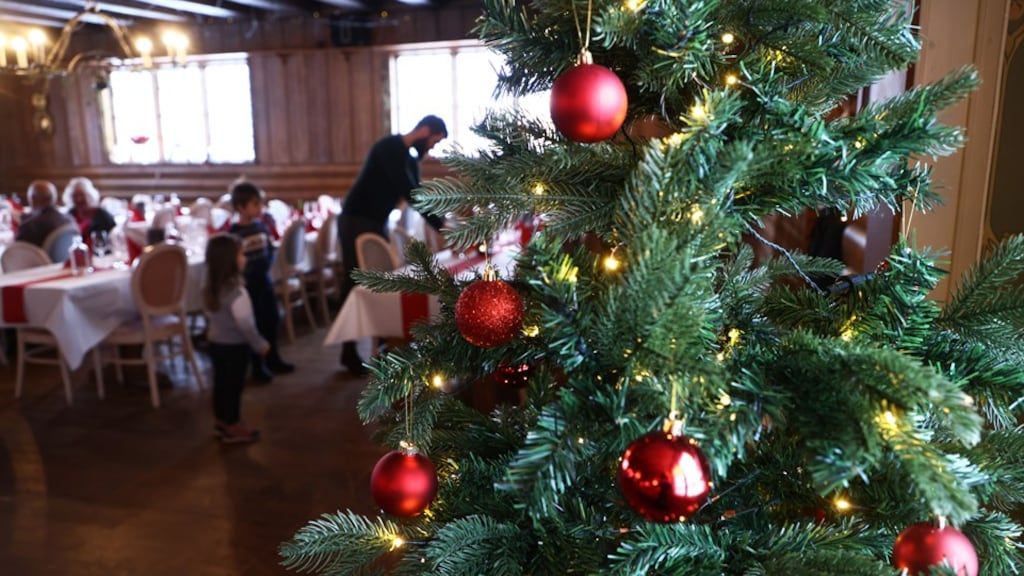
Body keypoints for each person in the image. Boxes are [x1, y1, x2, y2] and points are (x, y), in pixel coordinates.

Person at [337, 115, 449, 374]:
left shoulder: (409, 160)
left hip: (376, 223)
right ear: (424, 130)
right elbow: (410, 193)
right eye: (433, 142)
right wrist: (442, 227)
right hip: (355, 220)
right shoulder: (388, 147)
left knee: (380, 281)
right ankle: (348, 350)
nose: (431, 148)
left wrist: (442, 222)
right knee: (353, 281)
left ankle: (385, 341)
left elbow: (418, 192)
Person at [203, 234, 268, 444]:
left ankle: (221, 421)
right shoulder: (238, 293)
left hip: (215, 344)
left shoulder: (210, 289)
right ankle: (233, 425)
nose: (245, 258)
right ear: (229, 261)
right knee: (234, 387)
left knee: (220, 385)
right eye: (241, 254)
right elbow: (246, 324)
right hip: (235, 347)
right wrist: (259, 344)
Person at [228, 180, 295, 382]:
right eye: (255, 204)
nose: (260, 208)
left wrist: (267, 262)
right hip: (248, 286)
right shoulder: (234, 234)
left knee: (271, 320)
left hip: (265, 282)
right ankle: (258, 365)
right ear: (240, 207)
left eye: (260, 204)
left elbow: (270, 250)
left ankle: (273, 357)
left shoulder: (262, 227)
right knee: (254, 323)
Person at [15, 180, 74, 247]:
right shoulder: (69, 220)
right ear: (54, 198)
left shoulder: (30, 226)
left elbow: (16, 249)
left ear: (33, 199)